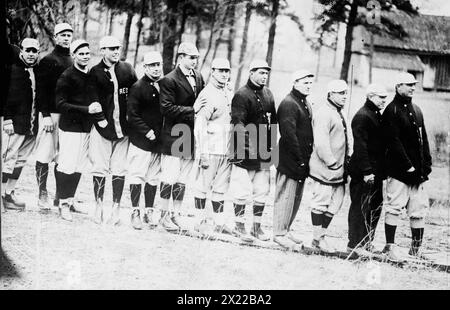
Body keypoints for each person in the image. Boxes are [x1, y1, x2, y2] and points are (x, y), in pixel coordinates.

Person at [381, 72, 432, 261]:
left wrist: (426, 165)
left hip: (418, 174)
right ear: (398, 86)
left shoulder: (417, 110)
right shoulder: (392, 110)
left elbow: (423, 139)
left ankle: (416, 249)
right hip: (399, 172)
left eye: (414, 85)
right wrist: (407, 166)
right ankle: (390, 247)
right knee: (394, 207)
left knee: (418, 209)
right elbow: (393, 142)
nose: (412, 88)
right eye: (408, 84)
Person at [88, 36, 138, 225]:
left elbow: (136, 94)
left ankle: (116, 207)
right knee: (100, 167)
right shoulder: (95, 72)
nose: (116, 51)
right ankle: (98, 205)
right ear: (103, 51)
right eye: (111, 49)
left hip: (123, 130)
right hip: (103, 128)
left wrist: (132, 122)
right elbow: (92, 99)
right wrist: (100, 120)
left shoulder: (127, 69)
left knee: (119, 168)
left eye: (118, 48)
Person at [229, 59, 277, 242]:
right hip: (244, 151)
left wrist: (271, 149)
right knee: (241, 190)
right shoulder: (241, 95)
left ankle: (256, 227)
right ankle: (239, 225)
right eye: (261, 73)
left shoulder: (269, 94)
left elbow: (273, 124)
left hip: (264, 152)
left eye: (266, 73)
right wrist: (248, 147)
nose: (264, 76)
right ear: (251, 73)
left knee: (262, 190)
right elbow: (237, 124)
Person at [55, 40, 103, 221]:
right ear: (73, 55)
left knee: (79, 166)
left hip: (86, 128)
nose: (84, 56)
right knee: (67, 165)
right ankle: (62, 204)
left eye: (87, 53)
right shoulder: (67, 76)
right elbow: (60, 104)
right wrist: (86, 110)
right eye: (80, 53)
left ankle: (70, 200)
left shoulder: (90, 75)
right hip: (70, 127)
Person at [158, 42, 205, 231]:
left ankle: (175, 214)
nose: (194, 61)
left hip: (190, 135)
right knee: (169, 176)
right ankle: (163, 215)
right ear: (181, 57)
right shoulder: (169, 80)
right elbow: (166, 108)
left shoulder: (199, 77)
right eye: (191, 58)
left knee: (182, 179)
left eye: (196, 58)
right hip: (174, 133)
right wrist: (192, 111)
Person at [272, 70, 314, 249]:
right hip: (290, 159)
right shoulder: (289, 103)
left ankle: (286, 229)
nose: (308, 86)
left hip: (301, 159)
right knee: (285, 196)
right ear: (295, 83)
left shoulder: (304, 102)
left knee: (295, 197)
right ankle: (279, 233)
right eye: (305, 82)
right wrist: (299, 158)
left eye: (310, 83)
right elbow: (289, 135)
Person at [192, 58, 234, 236]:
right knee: (203, 186)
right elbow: (200, 125)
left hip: (225, 148)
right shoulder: (207, 94)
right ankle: (199, 221)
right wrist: (202, 152)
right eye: (220, 71)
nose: (224, 74)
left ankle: (218, 222)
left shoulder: (228, 91)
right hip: (210, 148)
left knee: (220, 188)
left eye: (227, 71)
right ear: (213, 72)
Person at [308, 79, 350, 254]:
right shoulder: (324, 113)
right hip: (325, 170)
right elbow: (321, 143)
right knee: (321, 203)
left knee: (335, 204)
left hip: (338, 171)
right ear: (330, 94)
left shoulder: (340, 113)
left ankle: (321, 236)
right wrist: (332, 163)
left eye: (345, 93)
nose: (344, 96)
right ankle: (317, 239)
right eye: (340, 93)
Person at [35, 23, 74, 211]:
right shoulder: (48, 60)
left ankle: (61, 196)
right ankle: (42, 192)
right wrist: (46, 116)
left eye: (69, 34)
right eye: (63, 35)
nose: (66, 38)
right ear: (56, 37)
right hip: (50, 115)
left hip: (68, 117)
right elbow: (41, 92)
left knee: (63, 157)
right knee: (45, 153)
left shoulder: (73, 60)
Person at [347, 84, 388, 257]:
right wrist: (366, 172)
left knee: (374, 206)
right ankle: (355, 244)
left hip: (375, 171)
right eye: (381, 97)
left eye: (385, 98)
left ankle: (366, 241)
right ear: (371, 96)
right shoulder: (362, 116)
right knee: (360, 206)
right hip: (364, 172)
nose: (384, 101)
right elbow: (360, 146)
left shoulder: (375, 114)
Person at [127, 51, 166, 230]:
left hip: (158, 142)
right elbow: (132, 115)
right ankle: (135, 211)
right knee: (137, 174)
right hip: (141, 141)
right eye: (152, 66)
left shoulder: (165, 86)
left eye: (158, 65)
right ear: (145, 67)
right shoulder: (137, 87)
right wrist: (146, 131)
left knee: (153, 178)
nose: (156, 69)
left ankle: (148, 210)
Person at [2, 38, 41, 210]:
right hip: (14, 124)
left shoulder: (37, 71)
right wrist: (8, 119)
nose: (31, 54)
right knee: (8, 159)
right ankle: (1, 194)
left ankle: (9, 193)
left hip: (31, 125)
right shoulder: (12, 70)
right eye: (28, 50)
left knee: (21, 160)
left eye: (34, 51)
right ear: (21, 51)